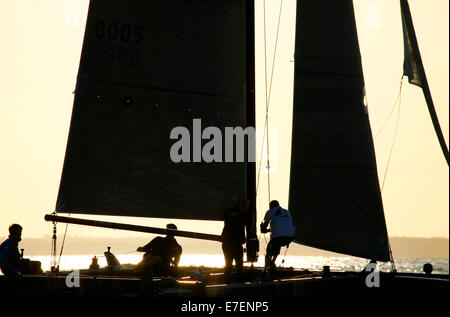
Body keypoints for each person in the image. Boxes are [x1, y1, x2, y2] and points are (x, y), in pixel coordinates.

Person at [221, 198, 249, 282]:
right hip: (236, 243)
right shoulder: (242, 216)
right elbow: (245, 223)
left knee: (228, 264)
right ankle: (239, 281)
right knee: (239, 265)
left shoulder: (228, 214)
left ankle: (227, 280)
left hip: (226, 243)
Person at [260, 200, 295, 269]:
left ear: (271, 206)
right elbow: (284, 226)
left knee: (269, 250)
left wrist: (262, 228)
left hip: (278, 237)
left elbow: (264, 229)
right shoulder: (286, 212)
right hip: (290, 237)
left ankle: (268, 266)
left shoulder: (270, 211)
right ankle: (273, 262)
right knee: (276, 243)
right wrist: (269, 230)